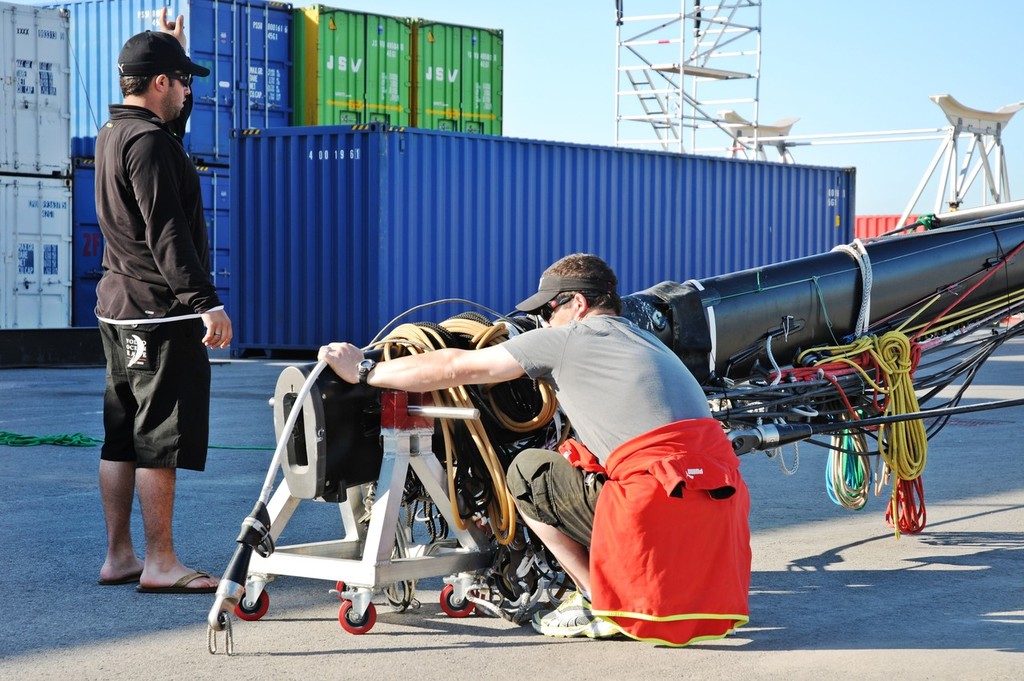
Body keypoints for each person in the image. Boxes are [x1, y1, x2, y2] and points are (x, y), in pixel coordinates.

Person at [318, 253, 751, 645]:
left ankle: (595, 599)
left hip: (654, 509)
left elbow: (455, 366)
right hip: (720, 520)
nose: (544, 320)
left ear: (577, 305)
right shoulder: (650, 343)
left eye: (549, 309)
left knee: (527, 471)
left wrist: (363, 369)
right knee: (575, 457)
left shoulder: (569, 338)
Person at [94, 9, 232, 594]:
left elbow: (167, 137)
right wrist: (206, 302)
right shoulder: (149, 145)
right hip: (161, 312)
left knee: (122, 434)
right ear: (158, 84)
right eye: (181, 80)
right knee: (159, 438)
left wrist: (171, 49)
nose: (186, 90)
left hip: (118, 306)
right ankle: (161, 562)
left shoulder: (116, 134)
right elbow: (167, 230)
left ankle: (120, 556)